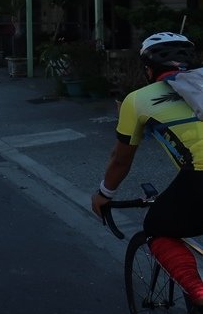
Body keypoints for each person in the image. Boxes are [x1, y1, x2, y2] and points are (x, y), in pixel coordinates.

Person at [91, 32, 203, 311]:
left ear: (149, 69)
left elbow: (120, 159)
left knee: (158, 227)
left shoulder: (138, 99)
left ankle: (200, 293)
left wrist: (105, 193)